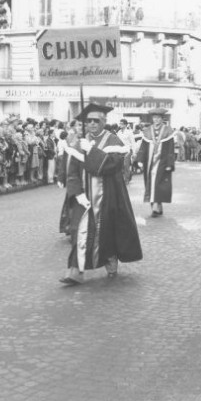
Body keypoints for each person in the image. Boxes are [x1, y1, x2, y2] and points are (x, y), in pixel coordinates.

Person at [59, 102, 143, 286]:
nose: (92, 124)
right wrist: (76, 193)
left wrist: (92, 151)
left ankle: (110, 259)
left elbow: (113, 165)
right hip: (84, 198)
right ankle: (75, 272)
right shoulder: (78, 142)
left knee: (107, 231)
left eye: (96, 120)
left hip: (108, 195)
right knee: (78, 232)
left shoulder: (113, 141)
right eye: (88, 121)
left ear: (103, 121)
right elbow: (72, 171)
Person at [136, 107, 175, 218]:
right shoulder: (147, 131)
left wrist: (169, 163)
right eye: (154, 117)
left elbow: (170, 148)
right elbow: (143, 147)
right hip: (149, 163)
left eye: (158, 118)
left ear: (162, 119)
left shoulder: (168, 130)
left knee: (158, 185)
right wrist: (139, 160)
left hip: (162, 163)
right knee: (149, 185)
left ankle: (156, 208)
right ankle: (157, 206)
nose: (156, 120)